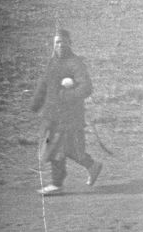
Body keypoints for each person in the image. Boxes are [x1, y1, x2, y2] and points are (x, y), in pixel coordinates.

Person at [29, 26, 102, 195]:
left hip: (69, 117)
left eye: (63, 42)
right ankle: (92, 166)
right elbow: (44, 84)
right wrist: (36, 103)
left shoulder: (75, 63)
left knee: (59, 150)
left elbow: (86, 88)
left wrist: (67, 94)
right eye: (57, 42)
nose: (60, 45)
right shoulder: (52, 62)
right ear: (53, 45)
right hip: (52, 116)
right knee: (61, 149)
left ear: (70, 44)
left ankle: (57, 184)